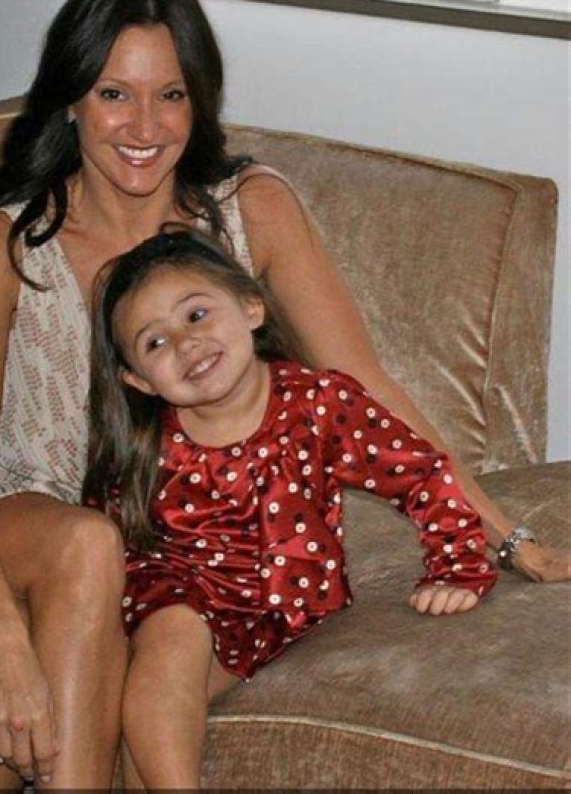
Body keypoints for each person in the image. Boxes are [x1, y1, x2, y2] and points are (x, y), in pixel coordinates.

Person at [0, 0, 566, 791]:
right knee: (66, 568)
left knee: (72, 600)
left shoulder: (248, 211)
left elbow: (364, 386)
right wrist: (1, 631)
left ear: (200, 104)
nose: (144, 125)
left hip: (133, 553)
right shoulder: (5, 246)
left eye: (171, 95)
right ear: (71, 101)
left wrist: (507, 538)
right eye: (114, 94)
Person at [84, 228, 498, 789]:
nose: (185, 343)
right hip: (168, 597)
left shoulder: (319, 403)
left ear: (251, 307)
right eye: (154, 342)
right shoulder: (143, 445)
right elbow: (104, 541)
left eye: (197, 315)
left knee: (152, 718)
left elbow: (421, 471)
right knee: (171, 641)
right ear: (138, 380)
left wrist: (457, 565)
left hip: (280, 604)